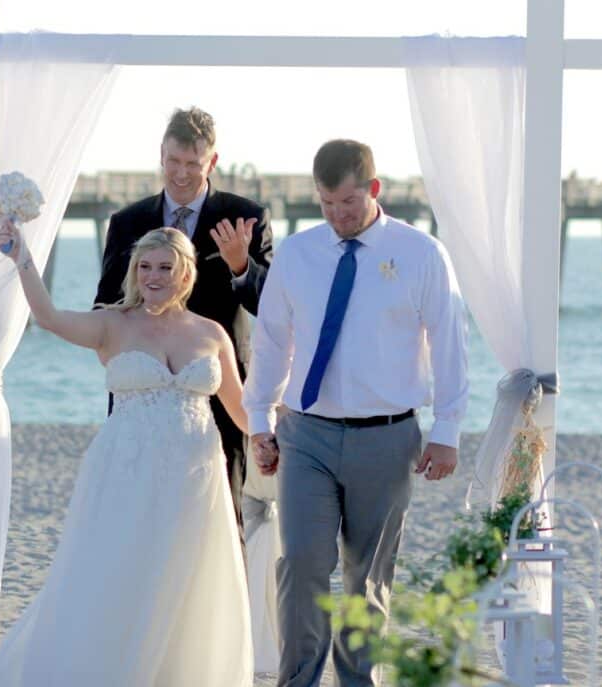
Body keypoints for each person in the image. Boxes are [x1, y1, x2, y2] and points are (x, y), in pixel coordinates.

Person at [0, 223, 259, 686]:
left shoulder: (211, 333)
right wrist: (23, 258)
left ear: (186, 274)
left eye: (164, 267)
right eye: (145, 266)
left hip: (196, 479)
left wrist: (278, 433)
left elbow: (242, 412)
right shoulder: (113, 324)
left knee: (187, 577)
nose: (153, 276)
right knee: (120, 572)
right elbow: (50, 317)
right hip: (127, 471)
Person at [243, 139, 468, 687]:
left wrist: (448, 429)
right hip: (306, 434)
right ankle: (296, 680)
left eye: (347, 202)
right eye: (326, 204)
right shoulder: (297, 255)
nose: (338, 215)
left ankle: (357, 681)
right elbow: (271, 343)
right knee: (300, 566)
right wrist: (259, 421)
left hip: (387, 439)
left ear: (373, 189)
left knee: (368, 577)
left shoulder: (421, 254)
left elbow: (449, 344)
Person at [94, 106, 273, 552]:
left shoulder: (245, 216)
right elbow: (105, 304)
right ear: (161, 155)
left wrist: (239, 266)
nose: (181, 173)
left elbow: (273, 309)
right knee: (137, 519)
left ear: (212, 162)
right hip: (144, 396)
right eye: (173, 162)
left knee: (220, 521)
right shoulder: (128, 222)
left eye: (193, 164)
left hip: (216, 388)